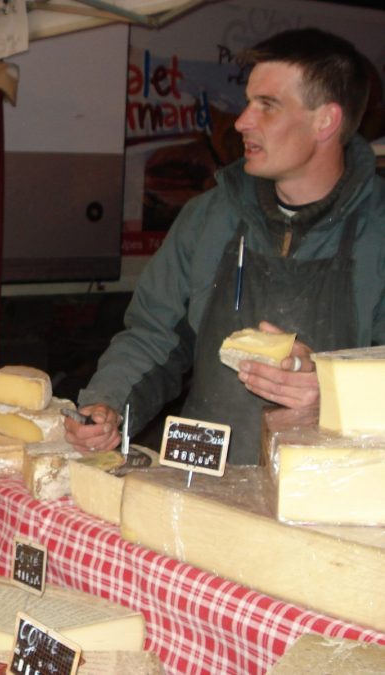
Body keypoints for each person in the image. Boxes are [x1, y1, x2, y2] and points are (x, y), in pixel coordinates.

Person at [65, 28, 385, 465]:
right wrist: (108, 405)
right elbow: (153, 334)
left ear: (325, 120)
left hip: (333, 495)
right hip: (203, 480)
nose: (241, 121)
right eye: (248, 101)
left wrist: (332, 395)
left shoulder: (378, 231)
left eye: (267, 106)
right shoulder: (210, 216)